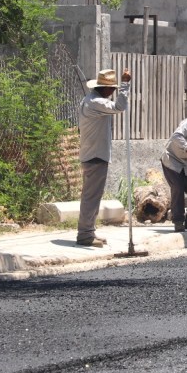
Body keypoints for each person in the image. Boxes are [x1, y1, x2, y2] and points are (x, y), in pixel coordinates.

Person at [77, 67, 131, 247]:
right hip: (95, 155)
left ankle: (88, 231)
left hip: (92, 153)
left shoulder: (90, 100)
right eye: (113, 89)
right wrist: (125, 84)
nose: (114, 92)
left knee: (92, 195)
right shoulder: (96, 102)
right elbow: (120, 106)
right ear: (106, 89)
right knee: (91, 197)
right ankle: (85, 235)